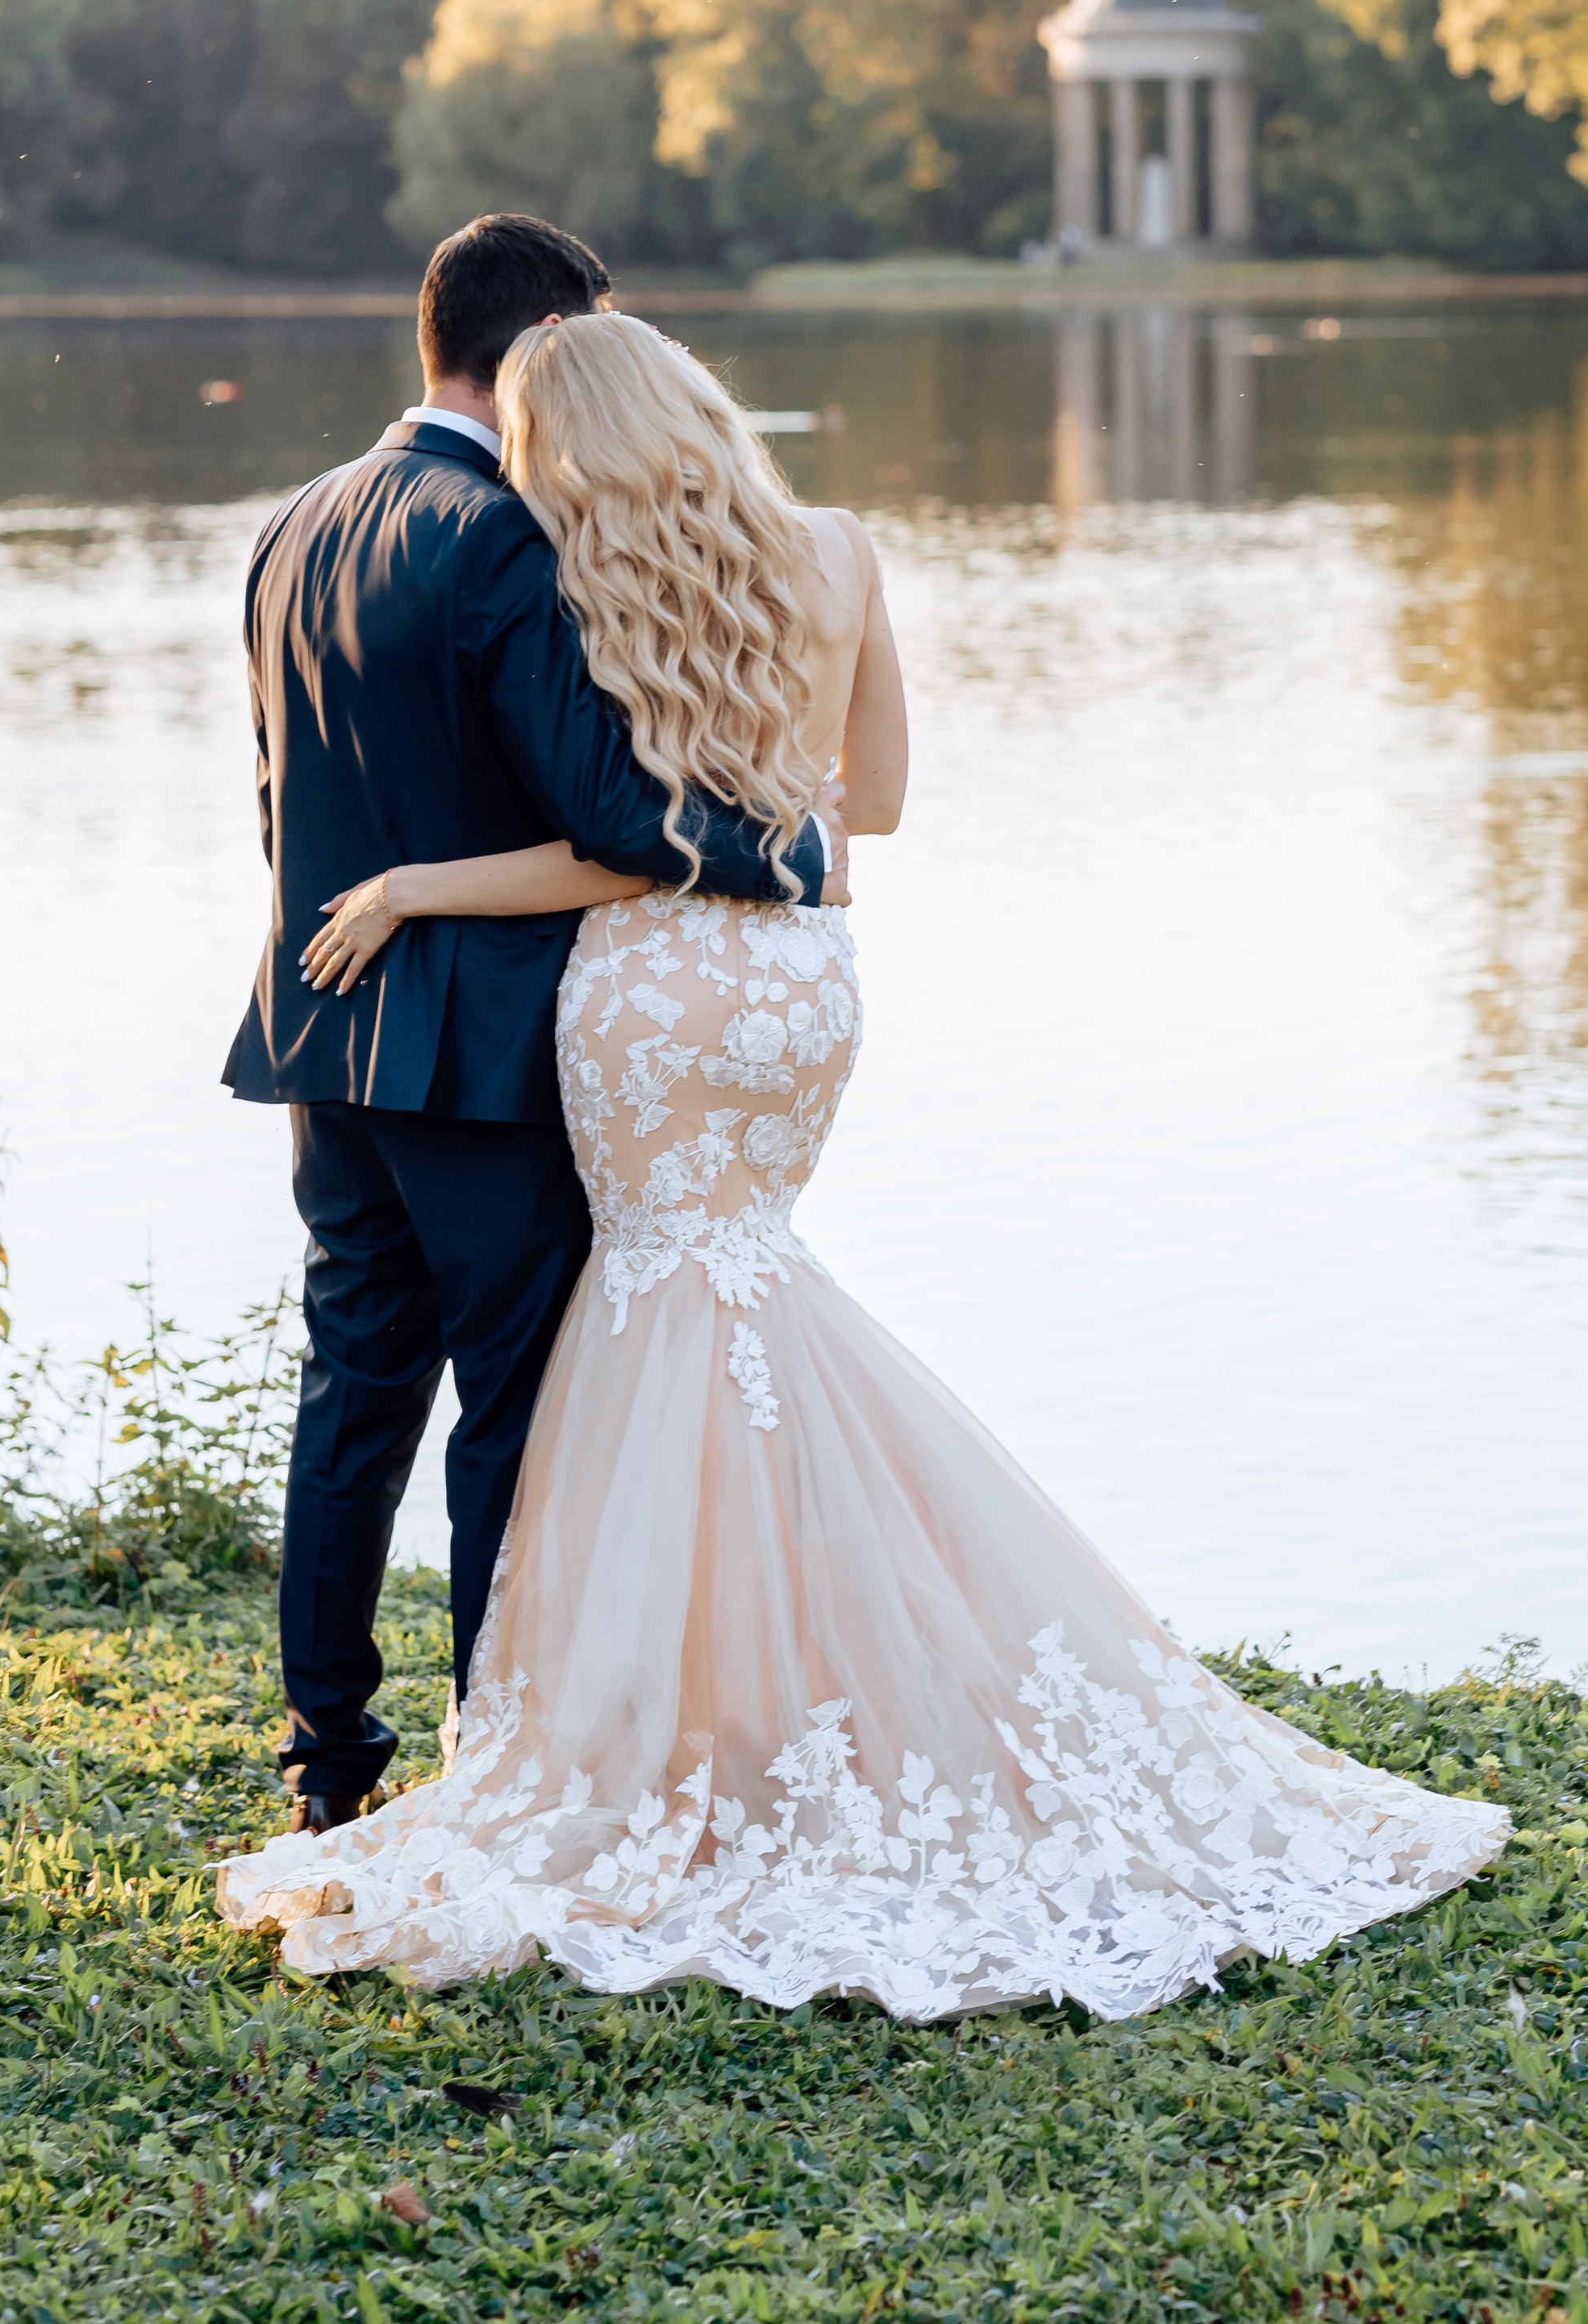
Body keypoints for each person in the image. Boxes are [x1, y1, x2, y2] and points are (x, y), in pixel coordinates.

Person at [219, 311, 1507, 2020]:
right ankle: (703, 1703)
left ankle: (474, 1740)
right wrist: (790, 841)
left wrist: (402, 891)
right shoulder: (825, 553)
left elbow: (574, 832)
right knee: (707, 1313)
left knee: (533, 1355)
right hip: (788, 985)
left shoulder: (457, 552)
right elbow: (845, 808)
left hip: (516, 1008)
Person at [223, 216, 838, 1835]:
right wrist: (779, 850)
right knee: (515, 1400)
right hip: (485, 1052)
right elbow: (608, 810)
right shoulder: (502, 539)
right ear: (540, 348)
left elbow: (280, 800)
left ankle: (326, 1758)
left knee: (353, 1385)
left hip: (325, 1026)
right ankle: (496, 1746)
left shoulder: (292, 526)